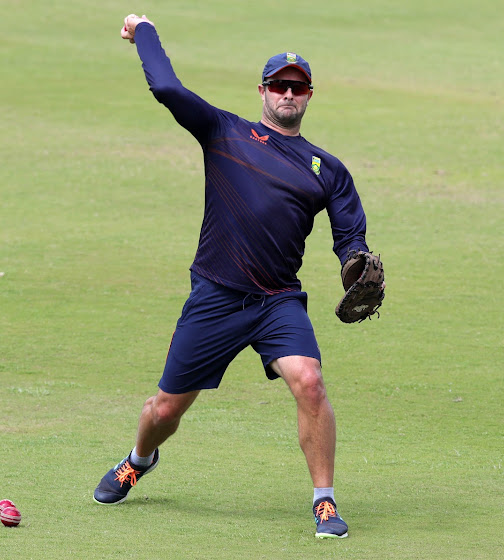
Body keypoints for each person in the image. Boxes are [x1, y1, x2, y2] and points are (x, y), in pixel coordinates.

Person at [94, 13, 382, 540]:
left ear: (310, 95)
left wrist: (355, 260)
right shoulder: (224, 131)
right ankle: (139, 458)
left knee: (311, 383)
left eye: (297, 86)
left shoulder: (327, 168)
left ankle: (324, 502)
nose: (287, 93)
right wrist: (146, 30)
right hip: (217, 297)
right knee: (165, 408)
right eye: (279, 85)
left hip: (278, 302)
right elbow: (165, 86)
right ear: (263, 91)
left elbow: (350, 238)